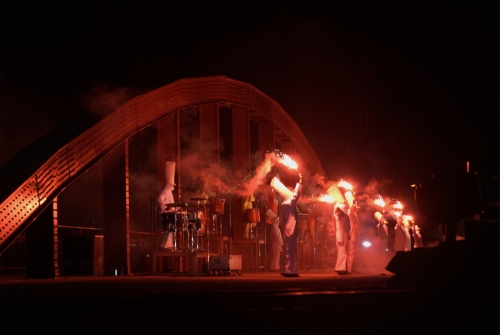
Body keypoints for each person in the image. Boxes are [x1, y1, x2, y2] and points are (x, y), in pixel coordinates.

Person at [271, 171, 303, 277]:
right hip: (291, 228)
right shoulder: (290, 202)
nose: (291, 191)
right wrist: (300, 181)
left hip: (287, 229)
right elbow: (296, 195)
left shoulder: (284, 203)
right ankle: (290, 271)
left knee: (287, 250)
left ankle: (286, 269)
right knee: (291, 250)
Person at [334, 204, 350, 274]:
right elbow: (335, 213)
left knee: (343, 253)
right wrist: (336, 205)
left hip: (344, 237)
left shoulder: (345, 216)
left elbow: (347, 228)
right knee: (342, 253)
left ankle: (342, 268)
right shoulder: (338, 216)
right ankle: (340, 269)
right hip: (341, 238)